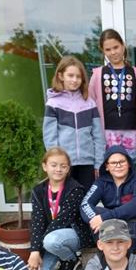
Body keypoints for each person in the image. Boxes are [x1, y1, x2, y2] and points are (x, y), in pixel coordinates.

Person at [28, 147, 92, 270]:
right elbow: (37, 221)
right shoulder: (38, 191)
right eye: (54, 165)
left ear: (68, 169)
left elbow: (61, 221)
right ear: (45, 166)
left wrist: (38, 248)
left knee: (51, 241)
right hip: (50, 238)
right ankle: (61, 256)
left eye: (63, 166)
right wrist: (34, 251)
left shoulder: (75, 189)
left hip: (73, 235)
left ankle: (71, 259)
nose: (58, 169)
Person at [43, 55, 105, 192]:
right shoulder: (53, 104)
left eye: (78, 76)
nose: (75, 80)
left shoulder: (89, 103)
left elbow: (98, 136)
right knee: (66, 199)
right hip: (64, 164)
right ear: (61, 76)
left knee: (86, 199)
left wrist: (98, 164)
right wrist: (56, 162)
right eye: (70, 75)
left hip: (87, 163)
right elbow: (50, 137)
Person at [89, 29, 136, 161]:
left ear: (123, 45)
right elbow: (90, 104)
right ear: (103, 51)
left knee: (129, 165)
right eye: (108, 49)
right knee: (111, 166)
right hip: (107, 133)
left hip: (131, 131)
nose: (113, 52)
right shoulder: (97, 75)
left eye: (116, 47)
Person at [80, 145, 136, 251]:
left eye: (122, 162)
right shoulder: (101, 182)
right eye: (113, 163)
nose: (118, 165)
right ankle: (104, 258)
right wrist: (96, 219)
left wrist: (105, 217)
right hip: (108, 222)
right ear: (107, 166)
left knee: (133, 223)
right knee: (96, 216)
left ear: (129, 164)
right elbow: (85, 204)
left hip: (131, 220)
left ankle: (128, 258)